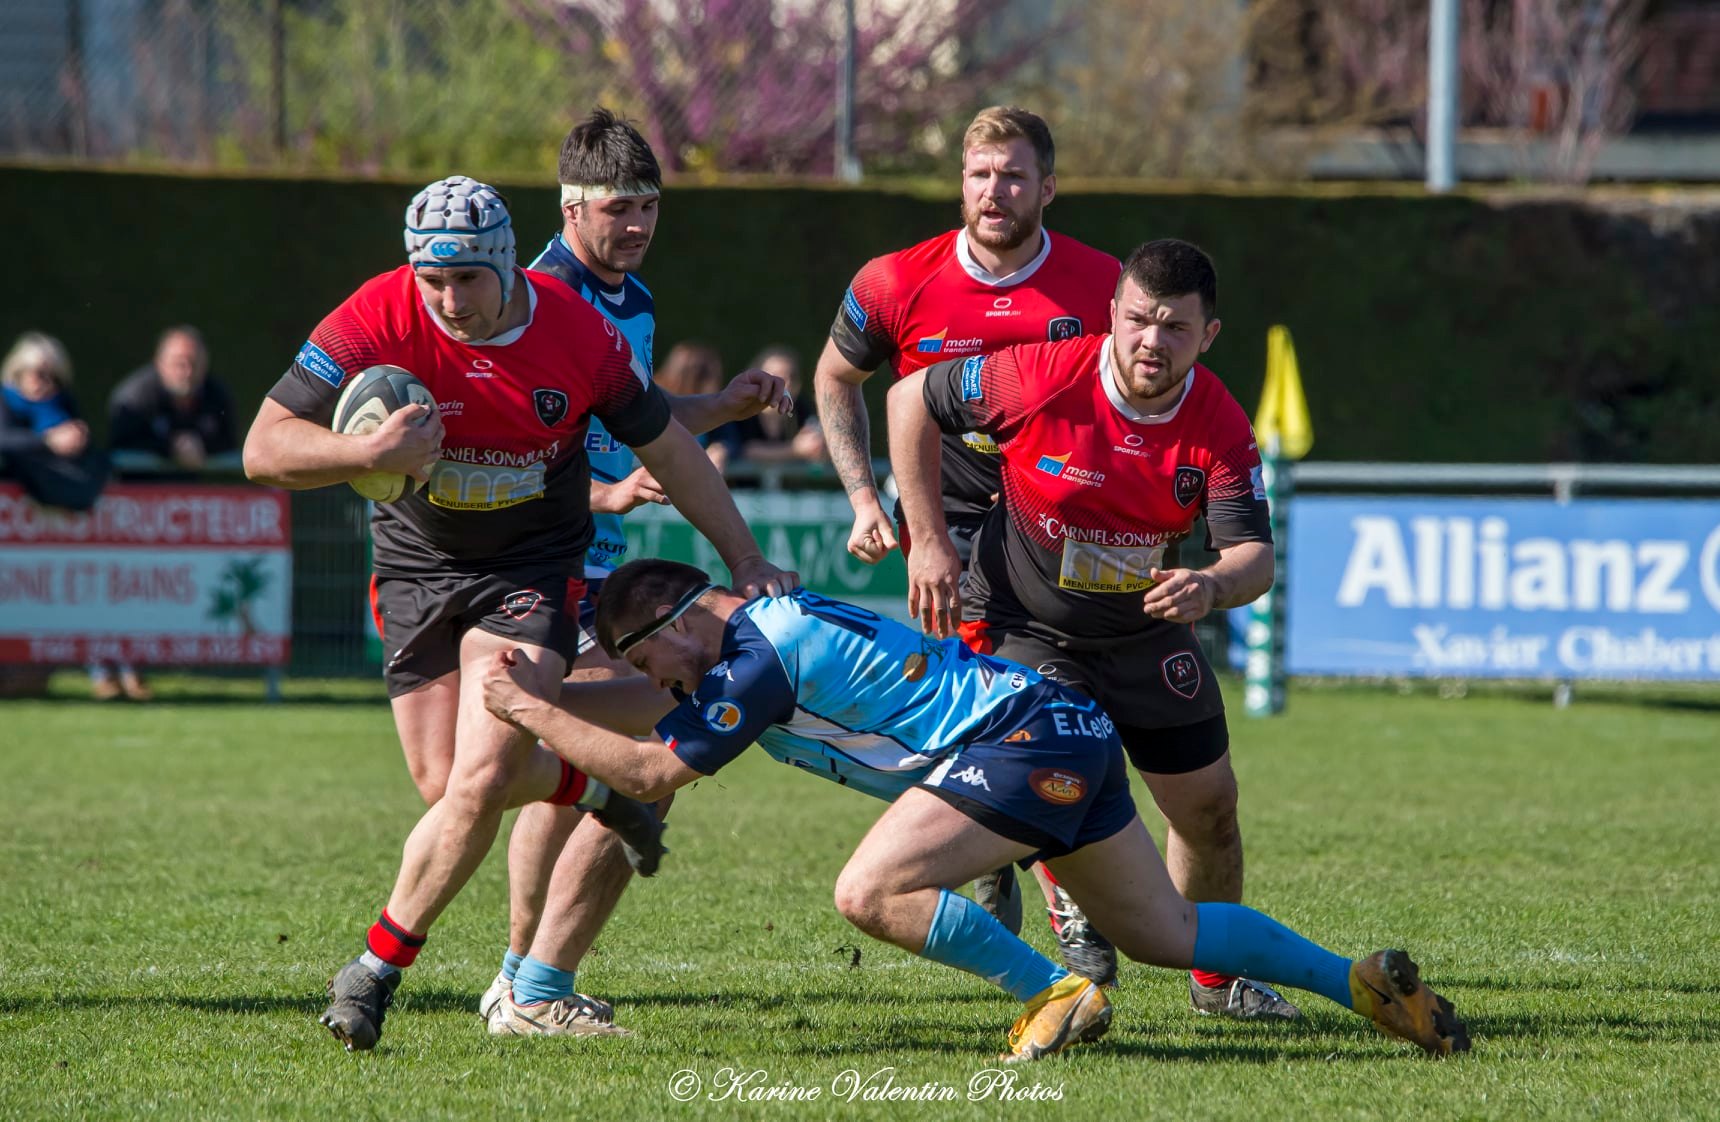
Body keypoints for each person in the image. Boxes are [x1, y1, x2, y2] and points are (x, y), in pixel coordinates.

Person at [477, 559, 1471, 1062]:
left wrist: (526, 706)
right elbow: (650, 715)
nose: (666, 682)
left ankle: (1056, 994)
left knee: (869, 891)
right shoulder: (747, 639)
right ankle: (1365, 988)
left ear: (683, 622)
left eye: (657, 662)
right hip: (1055, 727)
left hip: (1015, 742)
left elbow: (650, 775)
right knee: (1163, 930)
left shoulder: (751, 663)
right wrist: (550, 702)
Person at [241, 174, 795, 1052]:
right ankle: (601, 782)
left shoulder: (581, 335)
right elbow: (263, 448)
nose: (451, 300)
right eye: (434, 280)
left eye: (468, 279)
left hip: (529, 572)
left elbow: (673, 452)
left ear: (508, 263)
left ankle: (374, 971)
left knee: (480, 778)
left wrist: (746, 558)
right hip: (417, 567)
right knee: (447, 785)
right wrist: (364, 451)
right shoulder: (377, 314)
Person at [889, 237, 1297, 1020]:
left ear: (1208, 335)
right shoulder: (1037, 374)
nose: (1152, 340)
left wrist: (1210, 584)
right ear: (1111, 314)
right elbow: (911, 398)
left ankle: (1215, 981)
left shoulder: (1217, 420)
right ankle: (1061, 882)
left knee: (1211, 808)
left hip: (1143, 634)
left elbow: (1254, 556)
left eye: (1175, 327)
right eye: (1138, 319)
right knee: (1061, 778)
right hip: (1027, 627)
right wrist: (929, 535)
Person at [480, 107, 794, 1038]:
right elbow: (511, 444)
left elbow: (636, 420)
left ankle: (524, 976)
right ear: (573, 207)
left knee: (598, 754)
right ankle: (525, 981)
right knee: (621, 759)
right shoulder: (528, 297)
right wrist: (604, 500)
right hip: (543, 562)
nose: (640, 224)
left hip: (597, 569)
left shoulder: (634, 301)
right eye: (621, 207)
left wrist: (722, 408)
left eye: (651, 206)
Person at [812, 105, 1120, 964]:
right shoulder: (894, 282)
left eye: (1014, 176)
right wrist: (868, 501)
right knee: (1006, 699)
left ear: (1047, 188)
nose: (995, 192)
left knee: (1045, 702)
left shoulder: (1102, 288)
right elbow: (836, 377)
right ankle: (1049, 889)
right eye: (981, 174)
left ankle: (1003, 848)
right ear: (961, 182)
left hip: (1060, 523)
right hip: (942, 528)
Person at [1, 333, 119, 697]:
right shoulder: (5, 401)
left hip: (53, 534)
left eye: (52, 375)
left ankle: (104, 675)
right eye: (36, 372)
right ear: (16, 372)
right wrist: (48, 443)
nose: (43, 381)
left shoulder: (62, 404)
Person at [108, 326, 239, 473]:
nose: (187, 372)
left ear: (205, 364)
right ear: (160, 363)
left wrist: (203, 446)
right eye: (179, 363)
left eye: (194, 363)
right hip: (142, 488)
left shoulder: (217, 394)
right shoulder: (134, 398)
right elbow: (121, 447)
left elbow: (230, 444)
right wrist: (170, 448)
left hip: (198, 489)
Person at [710, 345, 826, 471]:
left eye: (792, 376)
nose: (786, 383)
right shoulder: (743, 408)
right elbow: (744, 449)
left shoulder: (800, 409)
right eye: (777, 377)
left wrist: (819, 447)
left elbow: (815, 445)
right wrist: (794, 449)